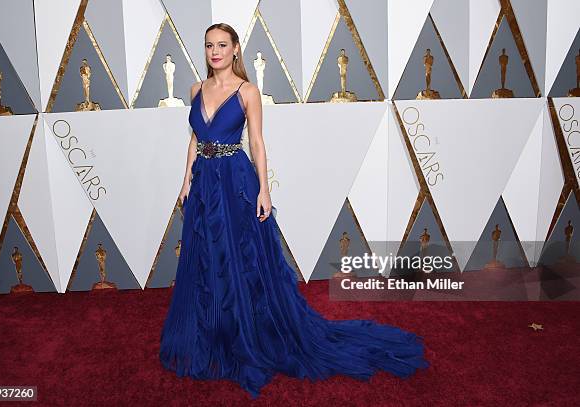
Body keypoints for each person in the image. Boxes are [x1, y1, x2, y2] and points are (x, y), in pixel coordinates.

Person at [159, 23, 429, 398]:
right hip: (204, 183)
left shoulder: (247, 91)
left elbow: (256, 142)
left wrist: (264, 190)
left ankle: (245, 333)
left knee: (240, 257)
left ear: (236, 49)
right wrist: (186, 179)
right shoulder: (194, 90)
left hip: (235, 182)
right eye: (209, 45)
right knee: (206, 255)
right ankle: (212, 331)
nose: (215, 51)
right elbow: (194, 139)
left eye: (222, 45)